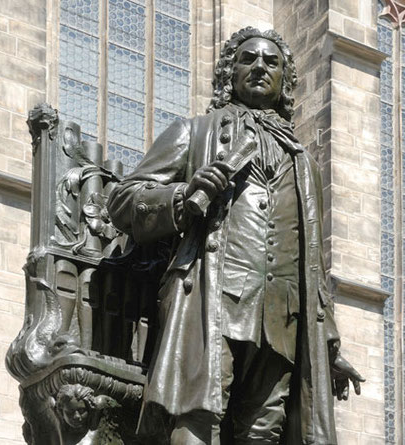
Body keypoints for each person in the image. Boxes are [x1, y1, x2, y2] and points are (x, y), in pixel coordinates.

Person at [107, 27, 364, 445]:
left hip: (283, 315)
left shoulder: (304, 164)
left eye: (271, 61)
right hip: (212, 299)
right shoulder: (194, 133)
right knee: (197, 413)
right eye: (249, 59)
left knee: (265, 430)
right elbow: (122, 201)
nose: (260, 66)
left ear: (284, 80)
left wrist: (327, 345)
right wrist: (183, 195)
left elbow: (312, 261)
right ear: (231, 73)